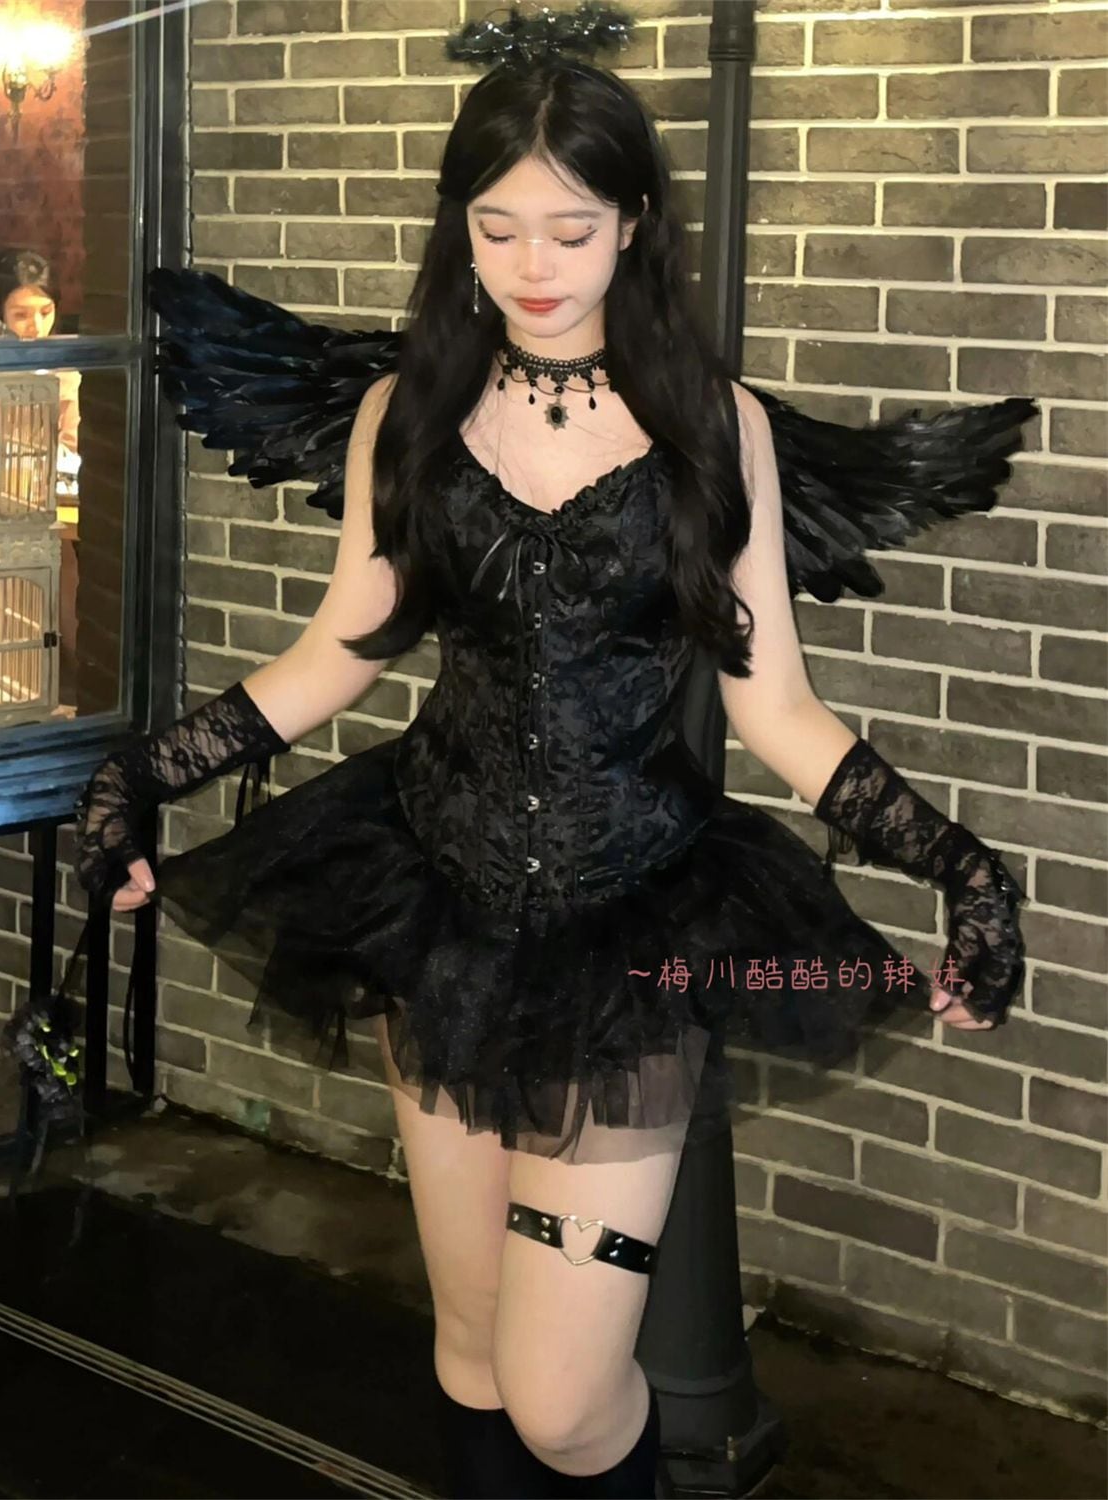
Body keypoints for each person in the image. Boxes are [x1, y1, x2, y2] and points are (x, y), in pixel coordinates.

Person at [73, 6, 1026, 1496]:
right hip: (438, 908)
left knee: (565, 1399)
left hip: (634, 930)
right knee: (470, 1355)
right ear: (458, 229)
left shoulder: (713, 426)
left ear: (634, 226)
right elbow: (338, 654)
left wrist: (957, 865)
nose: (532, 265)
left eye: (571, 230)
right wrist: (141, 773)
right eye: (497, 228)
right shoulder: (405, 413)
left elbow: (775, 706)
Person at [0, 246, 81, 454]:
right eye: (21, 315)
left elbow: (70, 446)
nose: (37, 326)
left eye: (45, 312)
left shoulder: (65, 372)